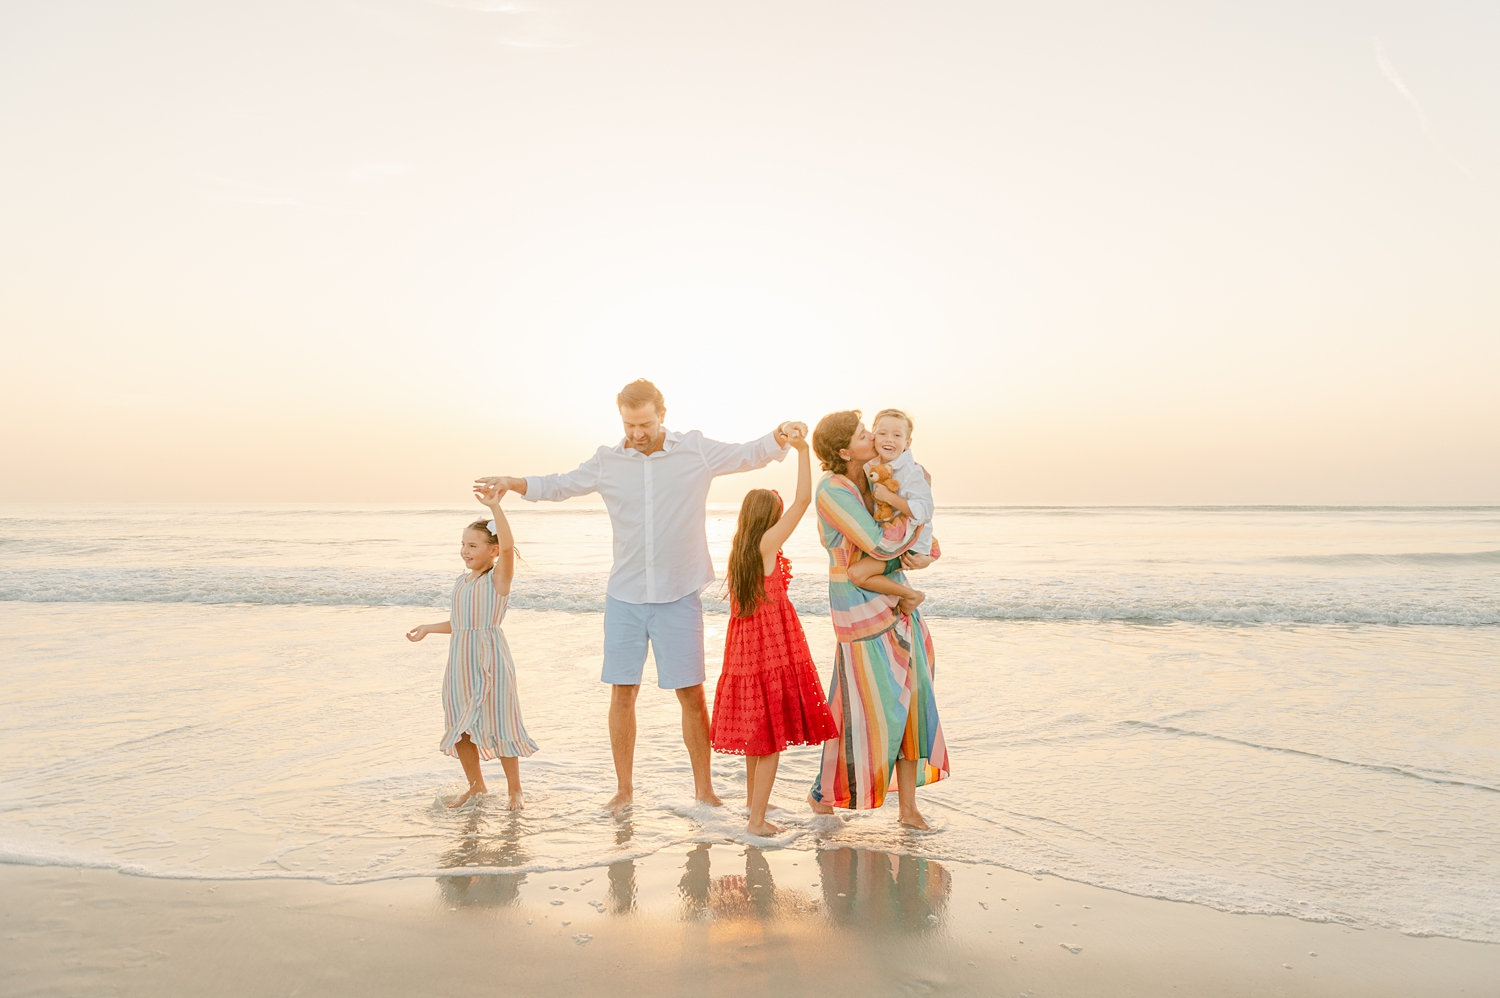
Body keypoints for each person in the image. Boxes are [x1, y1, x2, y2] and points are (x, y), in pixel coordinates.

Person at [475, 378, 803, 815]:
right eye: (629, 425)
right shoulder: (607, 461)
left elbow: (748, 453)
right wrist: (512, 482)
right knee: (622, 693)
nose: (637, 433)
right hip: (625, 596)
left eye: (644, 423)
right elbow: (559, 485)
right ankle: (624, 790)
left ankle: (703, 789)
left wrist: (780, 434)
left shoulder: (695, 450)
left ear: (662, 414)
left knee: (691, 695)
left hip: (679, 594)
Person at [806, 410, 950, 829]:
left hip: (895, 599)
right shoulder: (833, 490)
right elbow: (875, 541)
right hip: (859, 608)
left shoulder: (874, 476)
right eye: (863, 433)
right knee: (861, 709)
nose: (871, 436)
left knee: (912, 701)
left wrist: (923, 545)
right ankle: (823, 795)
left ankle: (908, 809)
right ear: (843, 449)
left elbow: (908, 538)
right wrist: (915, 523)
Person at [709, 424, 838, 837]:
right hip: (771, 648)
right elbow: (804, 500)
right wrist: (803, 452)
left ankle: (753, 804)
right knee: (770, 741)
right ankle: (756, 820)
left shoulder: (742, 551)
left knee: (758, 736)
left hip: (747, 650)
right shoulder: (766, 545)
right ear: (768, 519)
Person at [407, 485, 538, 809]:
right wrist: (428, 628)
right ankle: (476, 786)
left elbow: (509, 546)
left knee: (501, 720)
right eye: (463, 545)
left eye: (473, 545)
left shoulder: (498, 579)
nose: (465, 551)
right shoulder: (461, 581)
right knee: (460, 725)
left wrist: (496, 509)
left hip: (489, 658)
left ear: (492, 551)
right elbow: (460, 623)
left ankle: (514, 790)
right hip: (459, 661)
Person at [847, 407, 934, 604]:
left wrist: (889, 498)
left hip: (910, 548)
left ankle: (912, 597)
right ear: (873, 436)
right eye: (883, 433)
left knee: (857, 573)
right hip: (896, 538)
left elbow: (925, 511)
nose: (889, 439)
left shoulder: (912, 472)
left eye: (897, 435)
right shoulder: (874, 463)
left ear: (907, 443)